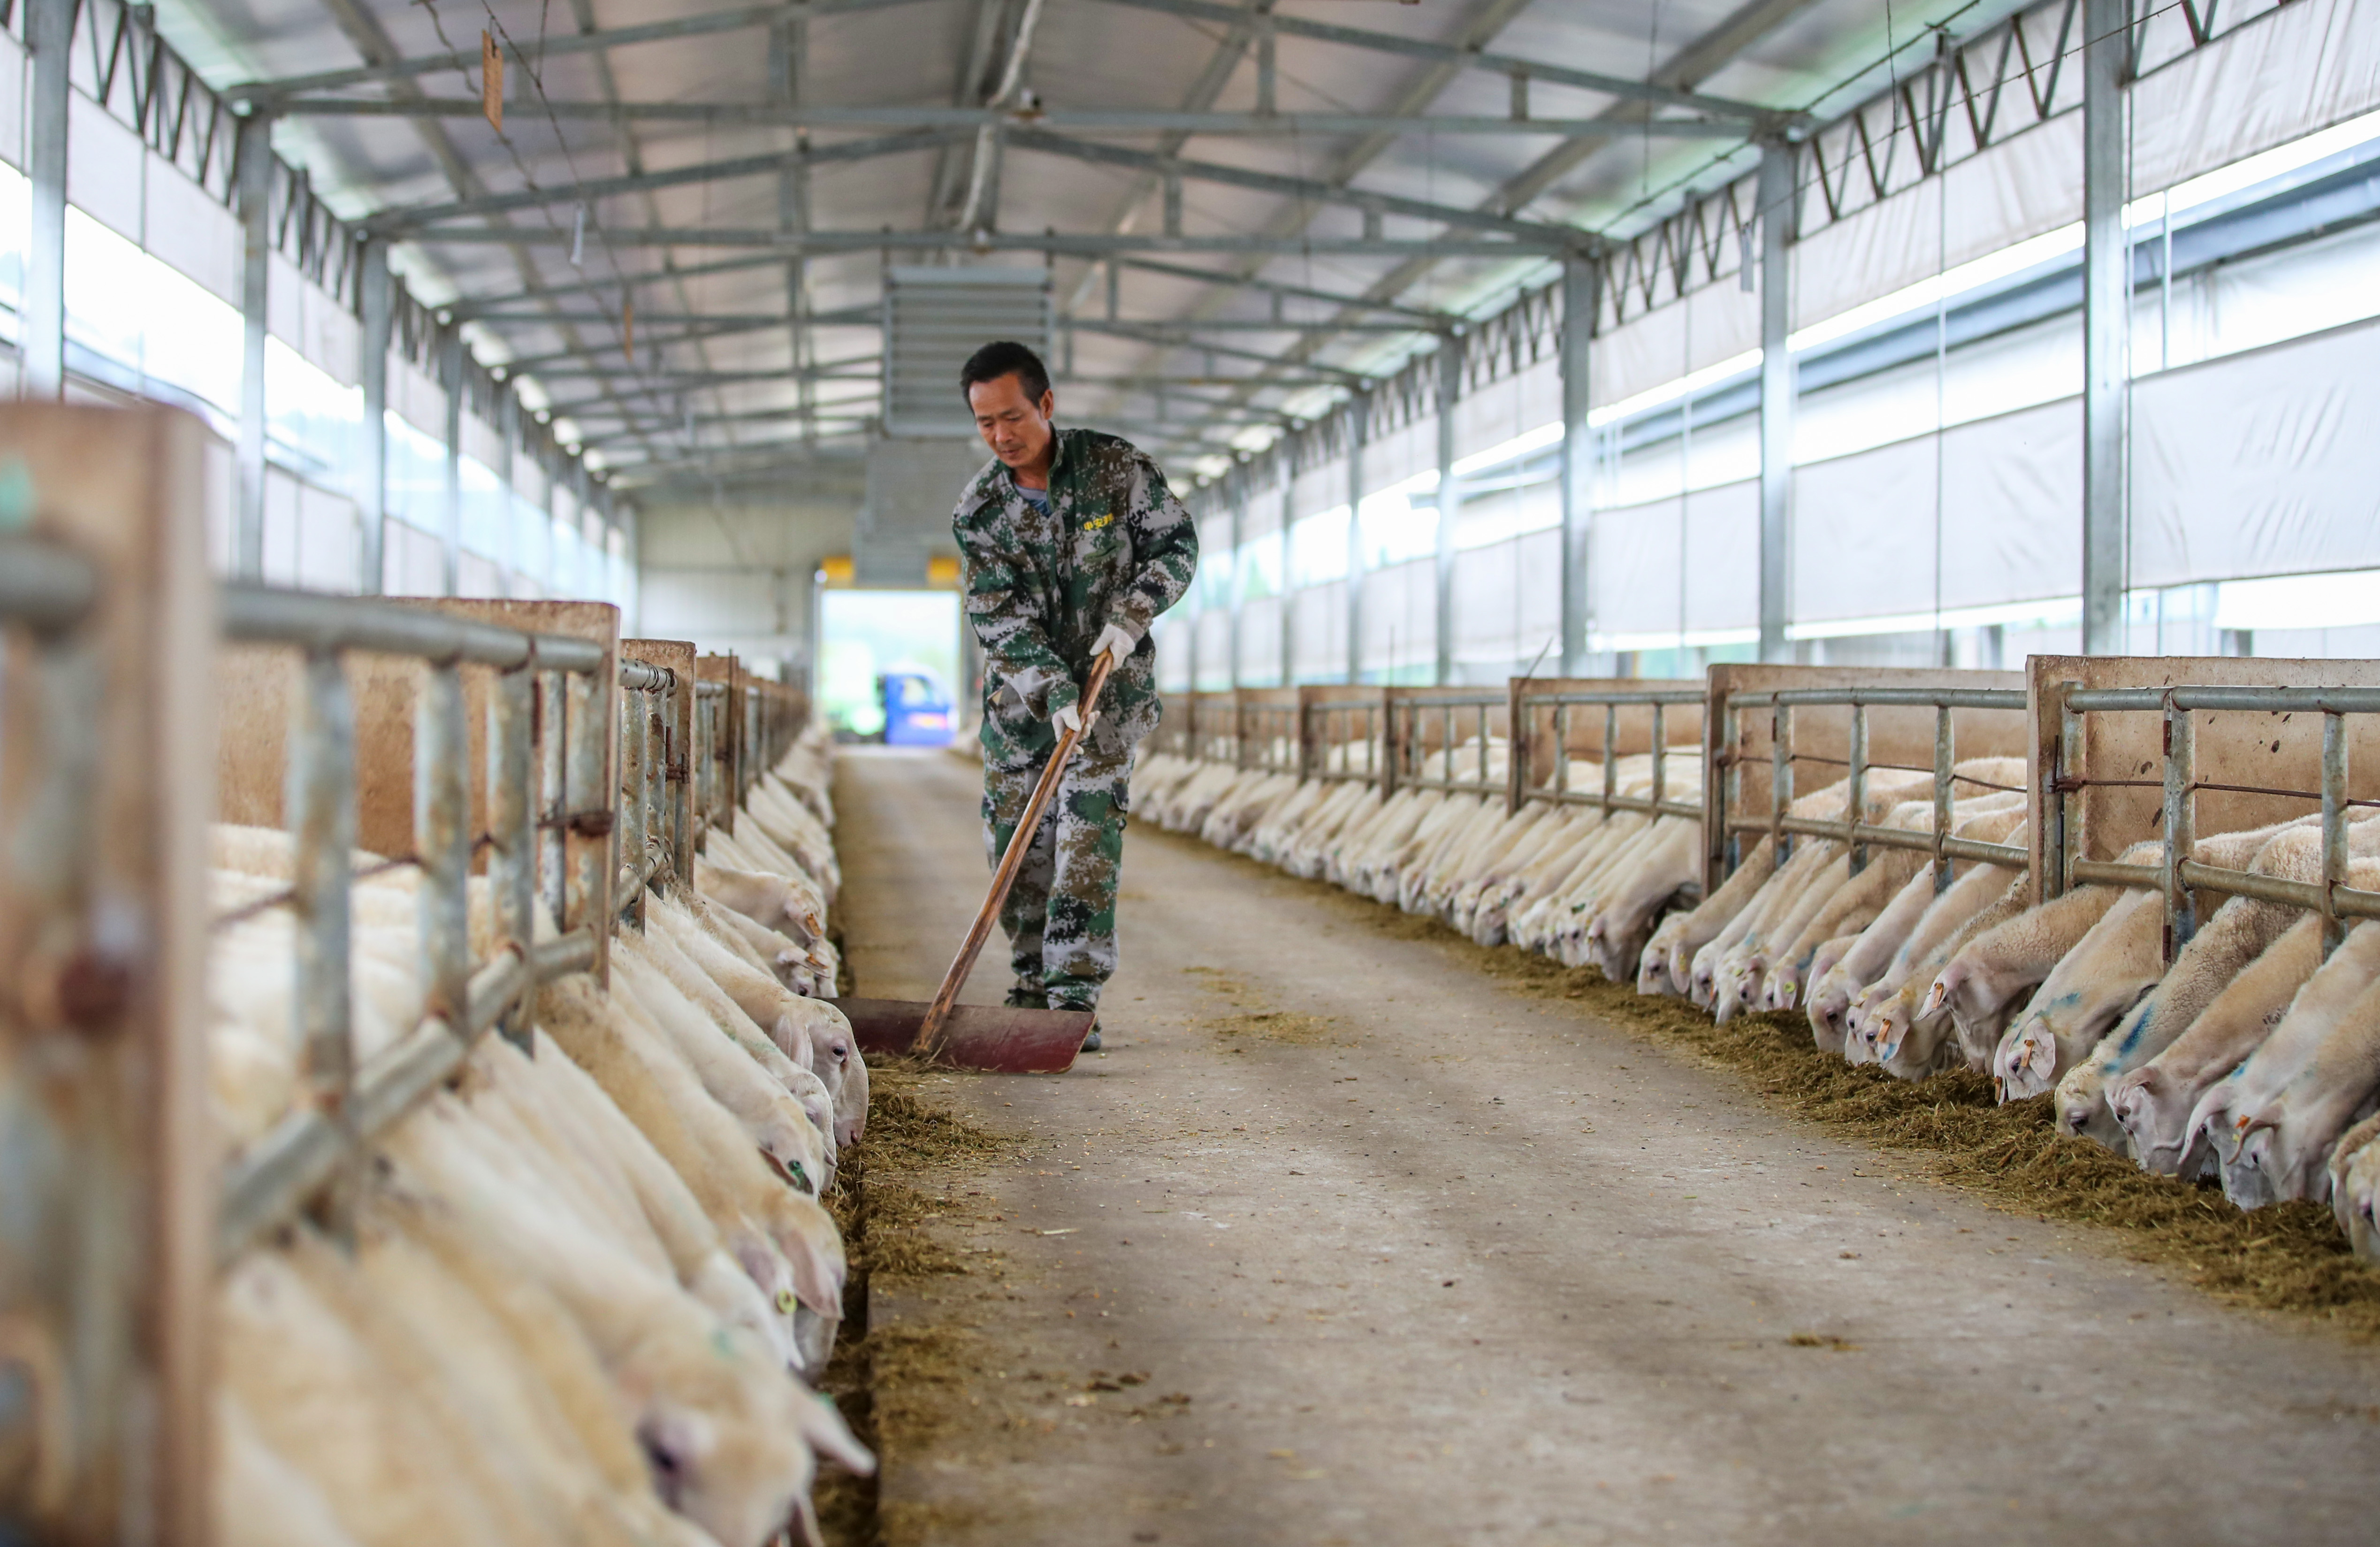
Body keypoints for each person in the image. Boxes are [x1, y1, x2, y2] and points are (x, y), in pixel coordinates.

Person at [951, 340, 1198, 1051]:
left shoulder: (1116, 470)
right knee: (1018, 842)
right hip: (1024, 706)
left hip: (1110, 696)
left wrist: (1133, 617)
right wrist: (1051, 686)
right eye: (985, 423)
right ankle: (1028, 977)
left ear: (1046, 405)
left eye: (1012, 417)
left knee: (1086, 835)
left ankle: (1072, 997)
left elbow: (1175, 546)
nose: (1001, 435)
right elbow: (998, 615)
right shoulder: (980, 511)